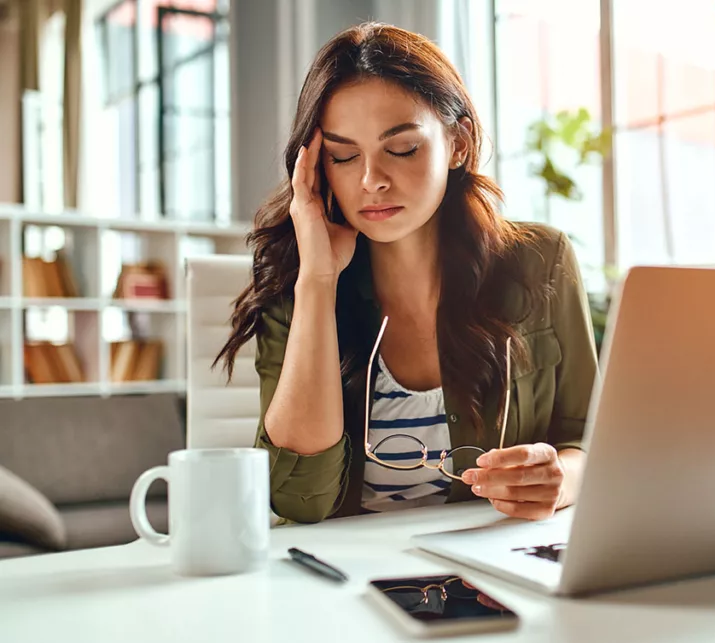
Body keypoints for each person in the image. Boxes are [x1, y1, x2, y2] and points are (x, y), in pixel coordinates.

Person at [216, 22, 598, 524]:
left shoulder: (540, 260)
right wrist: (317, 281)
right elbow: (299, 498)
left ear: (458, 143)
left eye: (401, 149)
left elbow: (590, 440)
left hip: (489, 569)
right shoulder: (297, 281)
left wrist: (561, 479)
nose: (372, 180)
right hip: (343, 581)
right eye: (344, 156)